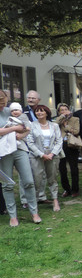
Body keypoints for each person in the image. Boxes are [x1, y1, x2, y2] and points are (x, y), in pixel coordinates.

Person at [0, 90, 41, 227]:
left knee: (28, 181)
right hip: (4, 152)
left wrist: (20, 131)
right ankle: (13, 216)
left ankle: (34, 212)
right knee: (8, 184)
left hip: (20, 149)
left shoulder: (12, 110)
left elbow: (25, 127)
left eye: (4, 103)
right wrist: (14, 129)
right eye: (0, 104)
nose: (2, 106)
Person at [26, 105, 63, 212]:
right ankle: (34, 201)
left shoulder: (54, 126)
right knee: (36, 180)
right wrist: (41, 154)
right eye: (37, 111)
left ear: (47, 113)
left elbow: (59, 141)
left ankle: (55, 200)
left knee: (52, 178)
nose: (39, 113)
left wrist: (52, 154)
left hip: (52, 156)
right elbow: (30, 142)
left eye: (41, 111)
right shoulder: (32, 125)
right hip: (36, 157)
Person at [56, 103, 80, 198]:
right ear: (59, 112)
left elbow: (76, 131)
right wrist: (62, 117)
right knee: (62, 169)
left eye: (66, 109)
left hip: (72, 145)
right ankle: (66, 189)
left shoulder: (75, 119)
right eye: (62, 110)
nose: (64, 111)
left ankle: (75, 189)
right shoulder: (57, 120)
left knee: (74, 168)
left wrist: (66, 126)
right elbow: (54, 125)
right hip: (61, 146)